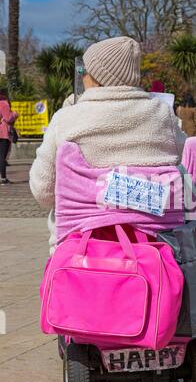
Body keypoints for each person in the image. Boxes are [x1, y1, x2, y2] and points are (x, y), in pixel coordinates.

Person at [29, 36, 187, 251]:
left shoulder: (66, 119)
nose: (83, 76)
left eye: (85, 71)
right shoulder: (163, 116)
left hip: (80, 251)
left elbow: (44, 192)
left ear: (97, 77)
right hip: (155, 248)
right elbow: (186, 175)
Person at [0, 89, 18, 185]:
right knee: (2, 156)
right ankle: (3, 178)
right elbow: (8, 118)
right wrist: (15, 114)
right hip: (3, 133)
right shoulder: (4, 103)